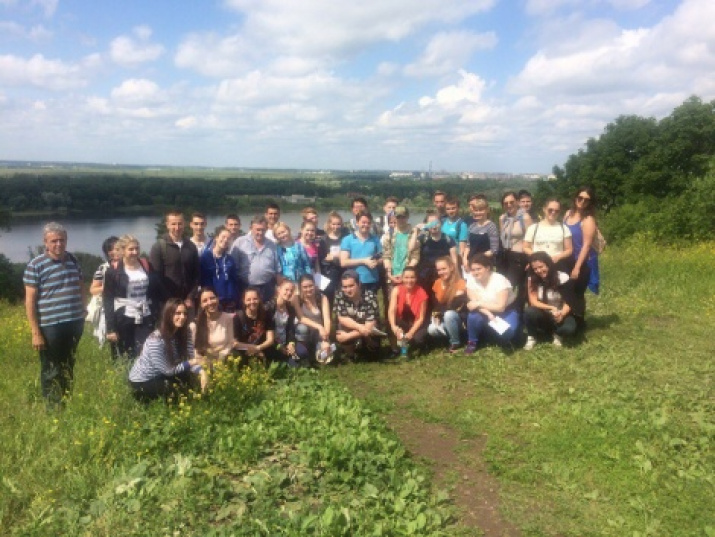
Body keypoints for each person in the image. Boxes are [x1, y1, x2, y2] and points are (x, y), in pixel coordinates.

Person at [24, 222, 86, 407]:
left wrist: (84, 309)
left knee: (68, 364)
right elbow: (30, 301)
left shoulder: (73, 260)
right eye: (54, 241)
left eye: (62, 240)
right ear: (46, 243)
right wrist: (36, 332)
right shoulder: (36, 265)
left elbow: (80, 285)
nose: (59, 244)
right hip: (51, 325)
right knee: (51, 367)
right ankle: (53, 408)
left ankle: (66, 399)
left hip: (74, 322)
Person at [128, 299, 204, 401]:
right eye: (178, 313)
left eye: (185, 313)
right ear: (168, 315)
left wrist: (202, 372)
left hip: (162, 374)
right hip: (143, 381)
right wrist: (193, 362)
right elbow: (168, 371)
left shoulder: (186, 332)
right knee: (181, 395)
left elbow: (189, 358)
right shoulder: (156, 340)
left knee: (192, 383)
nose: (182, 317)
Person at [104, 235, 162, 359]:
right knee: (125, 354)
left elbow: (155, 291)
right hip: (123, 317)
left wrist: (156, 313)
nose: (135, 252)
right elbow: (108, 299)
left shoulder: (146, 266)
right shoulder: (113, 272)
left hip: (145, 315)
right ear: (123, 250)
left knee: (145, 350)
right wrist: (111, 328)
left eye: (137, 248)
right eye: (131, 249)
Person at [523, 252, 580, 350]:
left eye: (541, 267)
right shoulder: (532, 279)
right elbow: (533, 301)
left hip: (561, 312)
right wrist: (550, 308)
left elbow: (569, 301)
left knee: (569, 329)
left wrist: (562, 313)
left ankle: (557, 334)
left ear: (548, 264)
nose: (539, 271)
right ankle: (532, 336)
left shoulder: (562, 277)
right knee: (529, 311)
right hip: (544, 311)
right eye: (535, 269)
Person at [464, 253, 520, 354]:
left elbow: (500, 307)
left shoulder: (499, 280)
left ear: (488, 268)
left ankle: (496, 337)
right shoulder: (471, 279)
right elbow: (474, 303)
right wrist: (488, 314)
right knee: (473, 317)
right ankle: (472, 342)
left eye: (478, 269)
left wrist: (478, 303)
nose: (475, 272)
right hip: (484, 312)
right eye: (473, 270)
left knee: (509, 333)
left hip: (506, 311)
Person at [149, 210, 200, 311]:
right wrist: (170, 301)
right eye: (173, 224)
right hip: (167, 304)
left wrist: (190, 297)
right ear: (167, 225)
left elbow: (197, 275)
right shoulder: (159, 247)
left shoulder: (191, 246)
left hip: (187, 303)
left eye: (180, 224)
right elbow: (156, 279)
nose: (177, 228)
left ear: (184, 224)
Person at [230, 215, 281, 302]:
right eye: (258, 229)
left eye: (263, 230)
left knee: (267, 312)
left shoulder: (272, 245)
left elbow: (277, 269)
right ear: (251, 228)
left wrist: (279, 287)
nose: (260, 233)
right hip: (246, 286)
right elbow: (232, 265)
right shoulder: (240, 242)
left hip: (267, 287)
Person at [334, 270, 382, 360]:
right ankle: (351, 352)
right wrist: (359, 327)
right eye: (345, 287)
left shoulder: (370, 297)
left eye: (351, 286)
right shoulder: (339, 295)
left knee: (372, 354)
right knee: (341, 327)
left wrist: (347, 336)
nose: (348, 290)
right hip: (357, 326)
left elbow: (369, 326)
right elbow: (342, 318)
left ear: (359, 284)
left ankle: (364, 345)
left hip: (368, 329)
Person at [498, 191, 533, 311]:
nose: (509, 205)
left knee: (512, 286)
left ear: (517, 202)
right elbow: (503, 238)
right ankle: (509, 312)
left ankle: (517, 312)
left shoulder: (525, 218)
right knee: (504, 286)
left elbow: (531, 240)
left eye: (511, 202)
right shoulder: (503, 218)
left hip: (520, 257)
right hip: (506, 256)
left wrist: (531, 260)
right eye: (505, 203)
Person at [563, 186, 600, 298]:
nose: (582, 201)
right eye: (580, 198)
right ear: (575, 198)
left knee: (577, 293)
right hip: (567, 257)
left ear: (590, 203)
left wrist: (577, 267)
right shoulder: (568, 214)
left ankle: (578, 315)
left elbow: (586, 246)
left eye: (586, 200)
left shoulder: (588, 220)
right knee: (565, 291)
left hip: (581, 260)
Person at [411, 210, 458, 293]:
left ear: (441, 223)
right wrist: (416, 231)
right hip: (424, 275)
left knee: (439, 300)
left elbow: (454, 260)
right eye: (431, 223)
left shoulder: (448, 239)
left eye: (436, 223)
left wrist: (456, 276)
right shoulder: (423, 238)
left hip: (442, 275)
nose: (434, 226)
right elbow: (411, 247)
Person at [427, 256, 467, 353]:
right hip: (443, 316)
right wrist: (436, 314)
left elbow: (455, 305)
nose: (441, 272)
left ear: (451, 268)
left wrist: (439, 313)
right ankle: (450, 337)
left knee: (449, 314)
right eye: (439, 270)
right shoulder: (437, 283)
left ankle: (455, 342)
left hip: (459, 319)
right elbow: (435, 304)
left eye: (444, 269)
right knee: (431, 329)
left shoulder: (460, 283)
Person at [523, 198, 574, 273]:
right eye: (550, 210)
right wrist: (539, 257)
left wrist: (558, 257)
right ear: (544, 209)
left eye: (557, 211)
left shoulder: (564, 228)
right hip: (537, 267)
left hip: (557, 265)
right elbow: (525, 247)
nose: (553, 212)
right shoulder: (533, 228)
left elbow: (569, 250)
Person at [87, 235, 120, 346]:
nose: (114, 252)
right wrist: (108, 287)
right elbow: (93, 289)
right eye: (111, 249)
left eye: (118, 248)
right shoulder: (103, 268)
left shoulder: (131, 265)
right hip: (110, 307)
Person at [387, 266, 428, 355]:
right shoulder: (396, 290)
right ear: (402, 278)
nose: (409, 280)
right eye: (406, 277)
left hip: (417, 322)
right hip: (403, 320)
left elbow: (421, 318)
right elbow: (392, 310)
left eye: (412, 277)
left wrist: (411, 332)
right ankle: (395, 347)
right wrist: (394, 327)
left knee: (418, 340)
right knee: (390, 321)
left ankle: (414, 342)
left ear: (416, 278)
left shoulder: (422, 293)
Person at [266, 279, 308, 366]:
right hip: (273, 343)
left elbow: (291, 329)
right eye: (286, 290)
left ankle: (288, 360)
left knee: (303, 351)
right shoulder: (269, 308)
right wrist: (278, 346)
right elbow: (265, 332)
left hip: (285, 341)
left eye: (291, 291)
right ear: (279, 290)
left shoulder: (290, 308)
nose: (289, 293)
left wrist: (291, 343)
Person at [293, 275, 333, 364]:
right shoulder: (297, 299)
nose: (308, 289)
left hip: (319, 334)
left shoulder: (322, 298)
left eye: (311, 286)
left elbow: (327, 319)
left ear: (315, 285)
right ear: (300, 288)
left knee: (325, 358)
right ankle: (305, 351)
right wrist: (319, 326)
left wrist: (325, 340)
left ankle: (316, 349)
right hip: (304, 332)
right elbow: (301, 318)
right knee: (302, 329)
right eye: (305, 287)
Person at [200, 225, 240, 312]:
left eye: (228, 238)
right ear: (216, 238)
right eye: (223, 237)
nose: (225, 240)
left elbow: (234, 281)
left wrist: (235, 298)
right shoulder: (205, 257)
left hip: (230, 302)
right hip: (213, 302)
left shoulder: (230, 259)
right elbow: (203, 281)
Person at [340, 210, 382, 292]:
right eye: (363, 222)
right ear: (357, 222)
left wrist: (377, 262)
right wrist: (364, 261)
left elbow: (382, 257)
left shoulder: (375, 239)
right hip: (353, 282)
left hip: (372, 280)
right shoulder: (348, 239)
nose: (366, 225)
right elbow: (343, 262)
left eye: (368, 223)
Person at [190, 287, 234, 367]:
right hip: (204, 363)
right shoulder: (195, 324)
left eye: (212, 298)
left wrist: (221, 357)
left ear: (218, 299)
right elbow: (195, 351)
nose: (210, 303)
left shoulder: (228, 318)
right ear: (201, 304)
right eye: (205, 301)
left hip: (224, 360)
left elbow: (230, 343)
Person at [233, 287, 275, 364]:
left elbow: (270, 340)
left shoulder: (266, 314)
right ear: (244, 301)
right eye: (248, 299)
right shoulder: (238, 317)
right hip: (244, 351)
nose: (252, 302)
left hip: (262, 348)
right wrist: (253, 349)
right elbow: (235, 343)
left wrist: (258, 348)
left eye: (255, 299)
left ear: (259, 299)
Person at [382, 206, 419, 289]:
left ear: (408, 217)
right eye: (398, 217)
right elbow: (386, 255)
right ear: (395, 217)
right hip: (392, 276)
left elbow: (415, 257)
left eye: (403, 217)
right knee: (392, 300)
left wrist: (405, 274)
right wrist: (389, 273)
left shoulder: (414, 233)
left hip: (409, 278)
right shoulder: (389, 234)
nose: (401, 220)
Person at [463, 196, 499, 269]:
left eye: (481, 210)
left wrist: (477, 258)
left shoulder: (491, 226)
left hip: (485, 264)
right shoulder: (472, 227)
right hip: (471, 263)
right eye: (476, 210)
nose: (478, 212)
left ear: (487, 210)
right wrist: (464, 259)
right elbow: (468, 246)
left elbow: (494, 250)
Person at [318, 211, 346, 304]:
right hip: (330, 272)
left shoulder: (345, 238)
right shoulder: (324, 240)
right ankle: (327, 317)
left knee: (344, 296)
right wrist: (327, 259)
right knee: (329, 296)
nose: (336, 226)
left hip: (344, 270)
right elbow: (322, 258)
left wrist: (334, 256)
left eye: (338, 224)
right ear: (329, 224)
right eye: (333, 224)